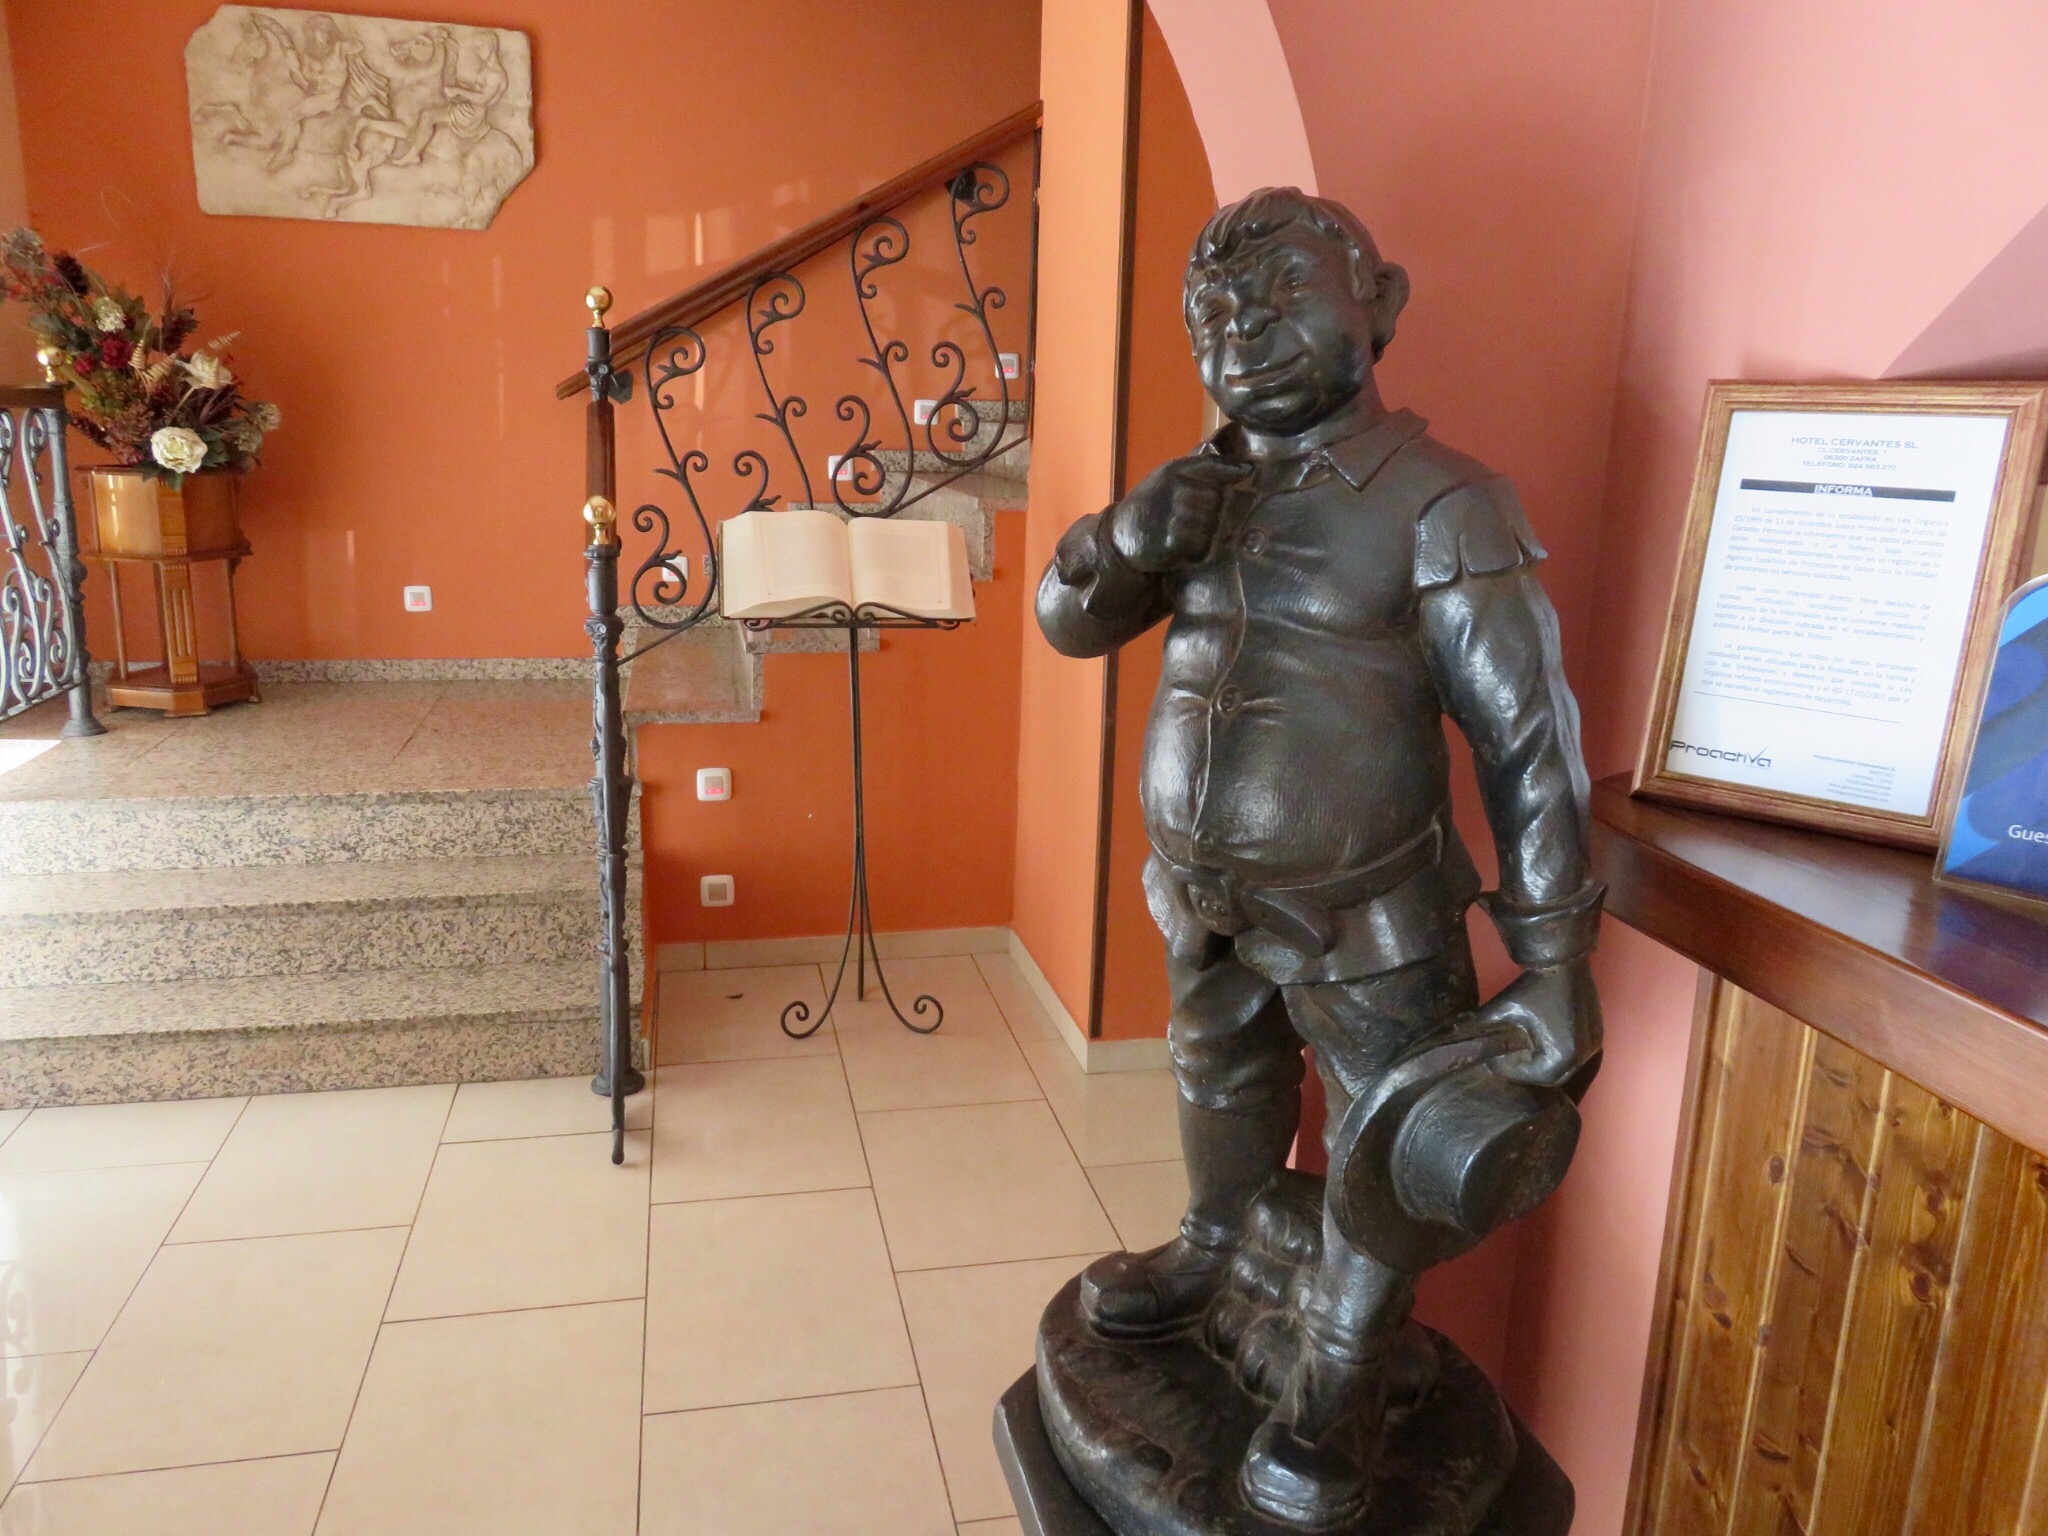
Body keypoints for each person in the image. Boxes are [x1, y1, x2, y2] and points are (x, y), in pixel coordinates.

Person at [1035, 186, 1603, 1528]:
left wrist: (1554, 958)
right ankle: (1213, 1243)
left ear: (1380, 303)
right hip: (1204, 896)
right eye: (1213, 314)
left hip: (1371, 910)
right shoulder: (1202, 487)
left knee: (1377, 1142)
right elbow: (1068, 623)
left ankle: (1335, 1382)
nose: (1243, 330)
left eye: (1283, 294)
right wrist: (1120, 540)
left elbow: (1530, 740)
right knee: (1218, 1067)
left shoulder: (1443, 502)